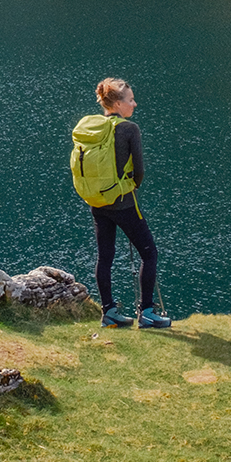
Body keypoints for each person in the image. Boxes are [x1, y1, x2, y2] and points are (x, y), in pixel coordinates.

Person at [70, 76, 171, 329]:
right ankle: (147, 312)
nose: (134, 105)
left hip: (97, 202)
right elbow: (139, 172)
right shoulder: (129, 129)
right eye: (131, 100)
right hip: (123, 202)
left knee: (105, 257)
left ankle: (109, 312)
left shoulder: (94, 129)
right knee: (149, 253)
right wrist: (129, 187)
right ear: (116, 103)